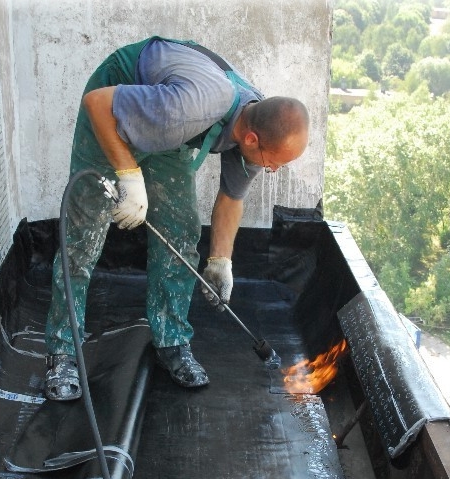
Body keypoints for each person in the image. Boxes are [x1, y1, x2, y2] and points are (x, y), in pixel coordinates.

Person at [43, 36, 310, 400]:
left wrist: (221, 261)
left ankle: (172, 341)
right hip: (115, 106)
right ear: (250, 138)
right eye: (275, 161)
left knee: (181, 231)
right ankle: (62, 350)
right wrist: (129, 174)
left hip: (172, 127)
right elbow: (98, 103)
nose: (274, 169)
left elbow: (232, 197)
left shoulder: (257, 118)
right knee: (84, 234)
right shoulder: (190, 107)